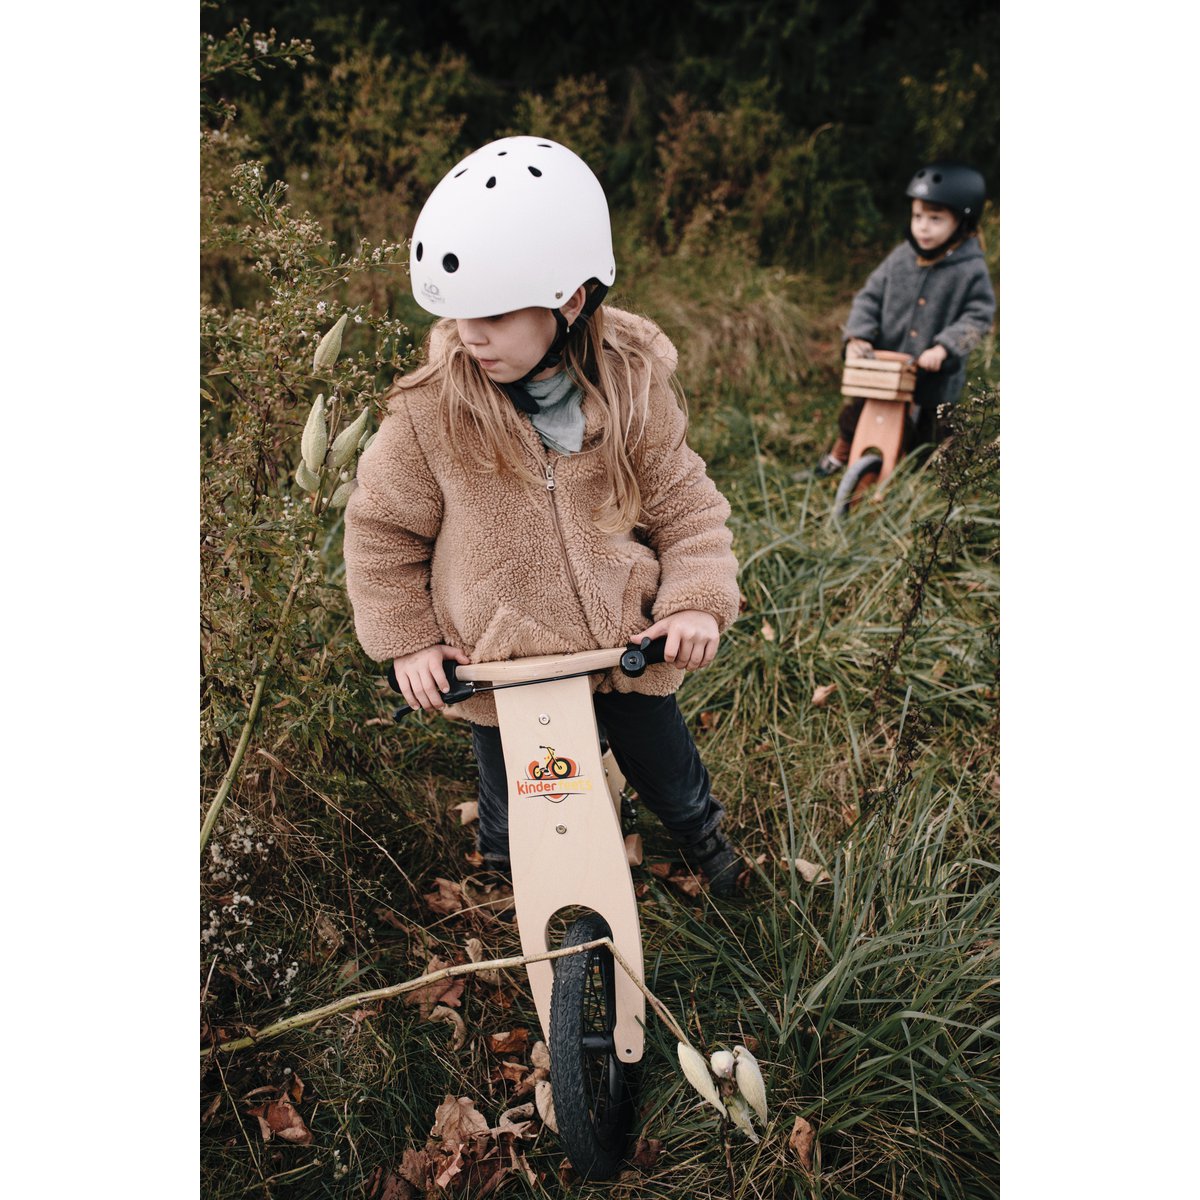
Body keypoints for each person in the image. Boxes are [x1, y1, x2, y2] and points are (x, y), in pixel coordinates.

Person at [343, 136, 743, 896]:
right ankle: (502, 890)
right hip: (506, 663)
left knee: (672, 777)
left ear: (569, 298)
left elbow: (687, 507)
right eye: (459, 314)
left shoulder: (631, 389)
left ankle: (705, 850)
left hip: (629, 652)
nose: (470, 335)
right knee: (511, 812)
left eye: (493, 314)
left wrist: (694, 604)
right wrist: (409, 642)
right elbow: (382, 532)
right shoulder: (432, 410)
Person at [814, 162, 997, 476]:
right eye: (917, 217)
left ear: (962, 221)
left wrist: (944, 347)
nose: (923, 227)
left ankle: (936, 480)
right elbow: (869, 297)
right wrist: (859, 336)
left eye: (935, 218)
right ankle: (841, 454)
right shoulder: (901, 258)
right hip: (886, 366)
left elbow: (978, 316)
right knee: (858, 413)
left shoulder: (970, 269)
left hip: (934, 375)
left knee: (935, 430)